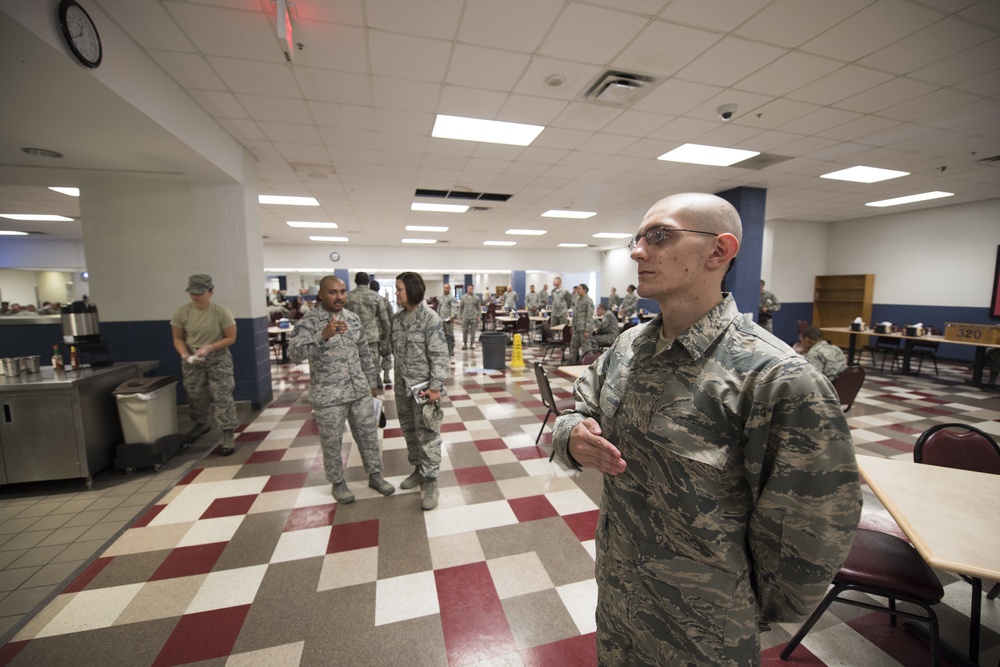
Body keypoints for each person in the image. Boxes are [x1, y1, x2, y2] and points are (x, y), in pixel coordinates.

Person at [552, 193, 861, 666]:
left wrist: (740, 607)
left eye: (659, 236)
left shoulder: (776, 377)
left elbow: (813, 529)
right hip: (618, 599)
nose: (637, 252)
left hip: (703, 629)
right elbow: (579, 406)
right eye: (638, 239)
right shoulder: (630, 346)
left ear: (719, 251)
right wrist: (572, 437)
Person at [287, 276, 395, 503]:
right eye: (333, 292)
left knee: (368, 436)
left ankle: (375, 475)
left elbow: (365, 353)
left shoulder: (353, 319)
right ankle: (338, 483)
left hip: (358, 391)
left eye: (342, 292)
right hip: (329, 396)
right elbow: (294, 353)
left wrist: (372, 386)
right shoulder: (309, 322)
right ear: (321, 295)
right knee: (332, 442)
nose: (339, 297)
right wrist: (322, 335)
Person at [391, 272, 449, 511]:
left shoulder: (430, 319)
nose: (396, 293)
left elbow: (439, 355)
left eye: (399, 289)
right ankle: (418, 470)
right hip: (403, 388)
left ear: (412, 290)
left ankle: (432, 481)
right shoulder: (396, 320)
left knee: (428, 433)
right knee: (410, 431)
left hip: (425, 389)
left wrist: (435, 387)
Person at [170, 274, 239, 455]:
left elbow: (231, 337)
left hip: (218, 357)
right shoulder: (182, 312)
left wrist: (209, 347)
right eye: (192, 293)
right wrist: (185, 355)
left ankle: (227, 433)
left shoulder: (221, 312)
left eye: (200, 293)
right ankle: (201, 423)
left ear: (211, 292)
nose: (196, 297)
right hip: (193, 358)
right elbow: (177, 338)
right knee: (195, 394)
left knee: (222, 395)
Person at [345, 272, 390, 379]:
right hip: (372, 335)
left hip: (353, 336)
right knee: (373, 358)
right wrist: (385, 333)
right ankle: (376, 379)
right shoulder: (376, 297)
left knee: (356, 360)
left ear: (355, 281)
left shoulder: (348, 296)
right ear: (368, 282)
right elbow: (384, 318)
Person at [369, 280, 394, 386]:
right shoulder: (384, 301)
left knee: (374, 356)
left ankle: (377, 378)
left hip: (371, 333)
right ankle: (386, 376)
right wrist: (390, 331)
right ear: (379, 289)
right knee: (387, 354)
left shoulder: (368, 301)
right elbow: (391, 316)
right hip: (384, 332)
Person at [566, 283, 594, 364]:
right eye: (577, 289)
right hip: (577, 327)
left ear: (584, 290)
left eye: (579, 289)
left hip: (584, 328)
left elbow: (589, 316)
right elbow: (576, 315)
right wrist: (572, 326)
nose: (577, 291)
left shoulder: (588, 301)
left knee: (586, 347)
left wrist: (587, 330)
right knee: (573, 346)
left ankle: (587, 364)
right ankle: (572, 362)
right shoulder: (578, 299)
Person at [437, 283, 458, 357]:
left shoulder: (451, 298)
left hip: (449, 320)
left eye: (447, 288)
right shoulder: (441, 297)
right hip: (441, 319)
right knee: (441, 336)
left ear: (449, 289)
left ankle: (451, 351)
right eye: (444, 288)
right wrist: (437, 316)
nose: (445, 289)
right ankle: (443, 350)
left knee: (450, 336)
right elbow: (439, 307)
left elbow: (454, 307)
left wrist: (452, 316)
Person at [459, 284, 482, 350]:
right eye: (469, 288)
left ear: (473, 289)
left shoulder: (476, 298)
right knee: (464, 331)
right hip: (465, 316)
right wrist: (459, 316)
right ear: (467, 289)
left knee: (473, 331)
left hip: (473, 317)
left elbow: (479, 308)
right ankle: (465, 344)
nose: (470, 290)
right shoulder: (463, 298)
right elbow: (461, 308)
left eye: (471, 288)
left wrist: (479, 317)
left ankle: (472, 344)